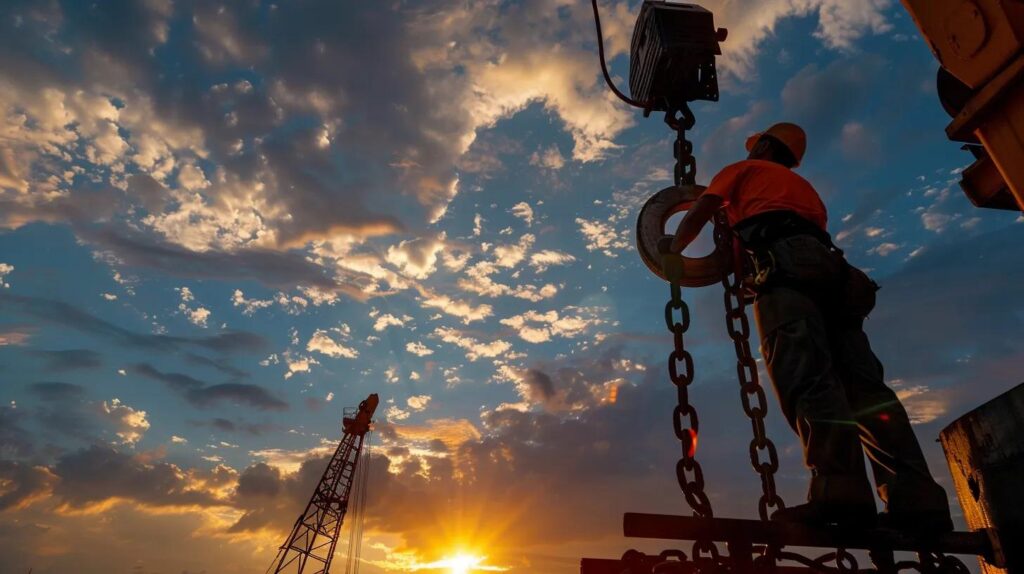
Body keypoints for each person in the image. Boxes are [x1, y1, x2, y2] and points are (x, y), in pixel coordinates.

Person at [667, 123, 953, 532]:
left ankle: (842, 496)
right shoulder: (803, 190)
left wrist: (672, 249)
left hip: (787, 266)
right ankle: (919, 500)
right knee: (866, 391)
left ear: (764, 146)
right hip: (835, 274)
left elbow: (700, 211)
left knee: (807, 378)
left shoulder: (741, 172)